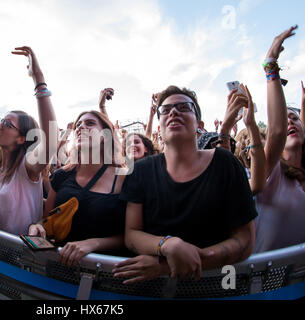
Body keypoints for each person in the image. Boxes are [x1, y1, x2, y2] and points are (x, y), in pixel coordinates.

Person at [113, 85, 257, 283]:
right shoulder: (140, 171)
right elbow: (131, 234)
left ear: (199, 124)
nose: (173, 112)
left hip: (216, 287)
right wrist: (168, 245)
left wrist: (164, 267)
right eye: (165, 110)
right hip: (153, 290)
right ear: (159, 127)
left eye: (184, 107)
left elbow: (245, 240)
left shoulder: (225, 163)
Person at [0, 46, 58, 237]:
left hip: (21, 259)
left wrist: (39, 80)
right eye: (2, 121)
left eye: (8, 124)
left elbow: (50, 141)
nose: (0, 126)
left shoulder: (28, 167)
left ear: (22, 138)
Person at [28, 110, 128, 267]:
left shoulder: (124, 178)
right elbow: (47, 219)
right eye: (78, 125)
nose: (81, 127)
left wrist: (93, 244)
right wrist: (38, 226)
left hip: (105, 273)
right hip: (58, 268)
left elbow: (131, 236)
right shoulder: (62, 175)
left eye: (90, 123)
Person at [254, 25, 305, 252]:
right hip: (273, 284)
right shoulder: (271, 172)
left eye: (295, 118)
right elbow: (275, 131)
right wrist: (270, 64)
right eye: (285, 119)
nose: (290, 122)